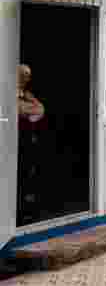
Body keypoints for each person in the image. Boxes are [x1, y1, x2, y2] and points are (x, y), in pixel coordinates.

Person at [17, 65, 47, 224]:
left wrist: (30, 112)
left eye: (28, 76)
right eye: (23, 75)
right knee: (18, 174)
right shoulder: (10, 93)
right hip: (15, 139)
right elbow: (19, 110)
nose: (27, 79)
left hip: (28, 139)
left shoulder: (28, 95)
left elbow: (41, 110)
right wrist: (30, 111)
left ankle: (26, 209)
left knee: (29, 173)